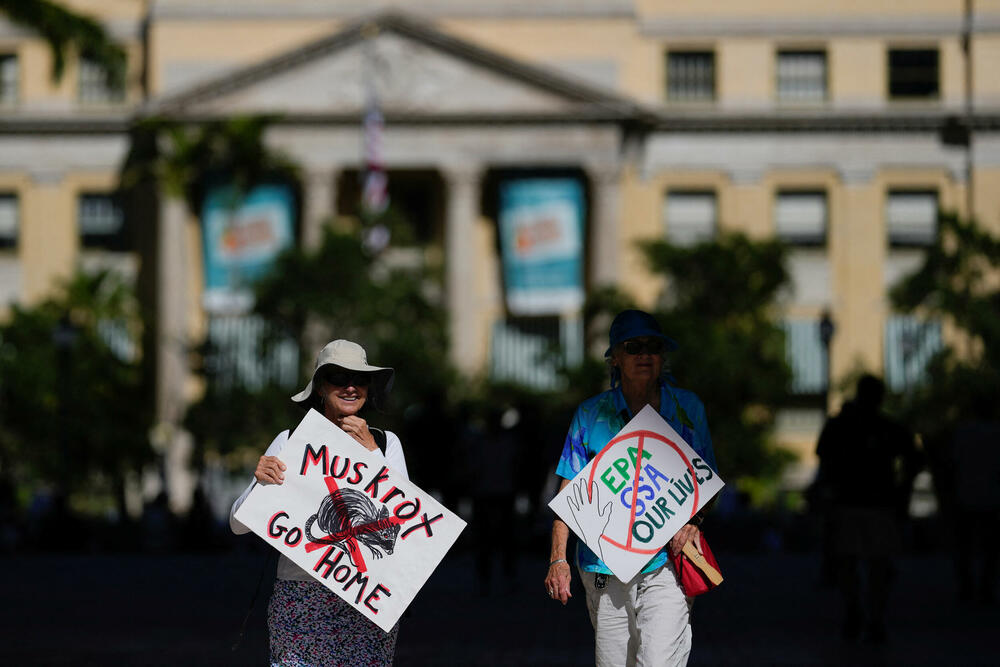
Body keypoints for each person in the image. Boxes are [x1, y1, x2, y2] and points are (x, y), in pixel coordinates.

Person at [544, 309, 718, 666]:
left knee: (658, 660)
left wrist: (693, 521)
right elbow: (568, 497)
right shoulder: (591, 416)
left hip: (667, 562)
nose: (644, 354)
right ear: (616, 358)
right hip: (604, 566)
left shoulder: (686, 409)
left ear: (663, 357)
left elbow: (708, 481)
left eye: (653, 347)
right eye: (633, 346)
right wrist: (557, 558)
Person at [230, 339, 408, 666]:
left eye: (360, 379)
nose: (351, 386)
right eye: (339, 378)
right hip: (300, 598)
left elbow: (403, 521)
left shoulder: (386, 444)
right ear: (321, 387)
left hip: (365, 600)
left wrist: (369, 450)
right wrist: (260, 484)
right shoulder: (290, 442)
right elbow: (238, 524)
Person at [814, 374, 921, 643]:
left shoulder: (846, 425)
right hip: (870, 504)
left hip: (857, 503)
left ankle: (862, 613)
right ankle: (868, 615)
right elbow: (914, 458)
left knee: (858, 564)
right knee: (873, 566)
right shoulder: (883, 427)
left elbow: (824, 458)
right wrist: (902, 490)